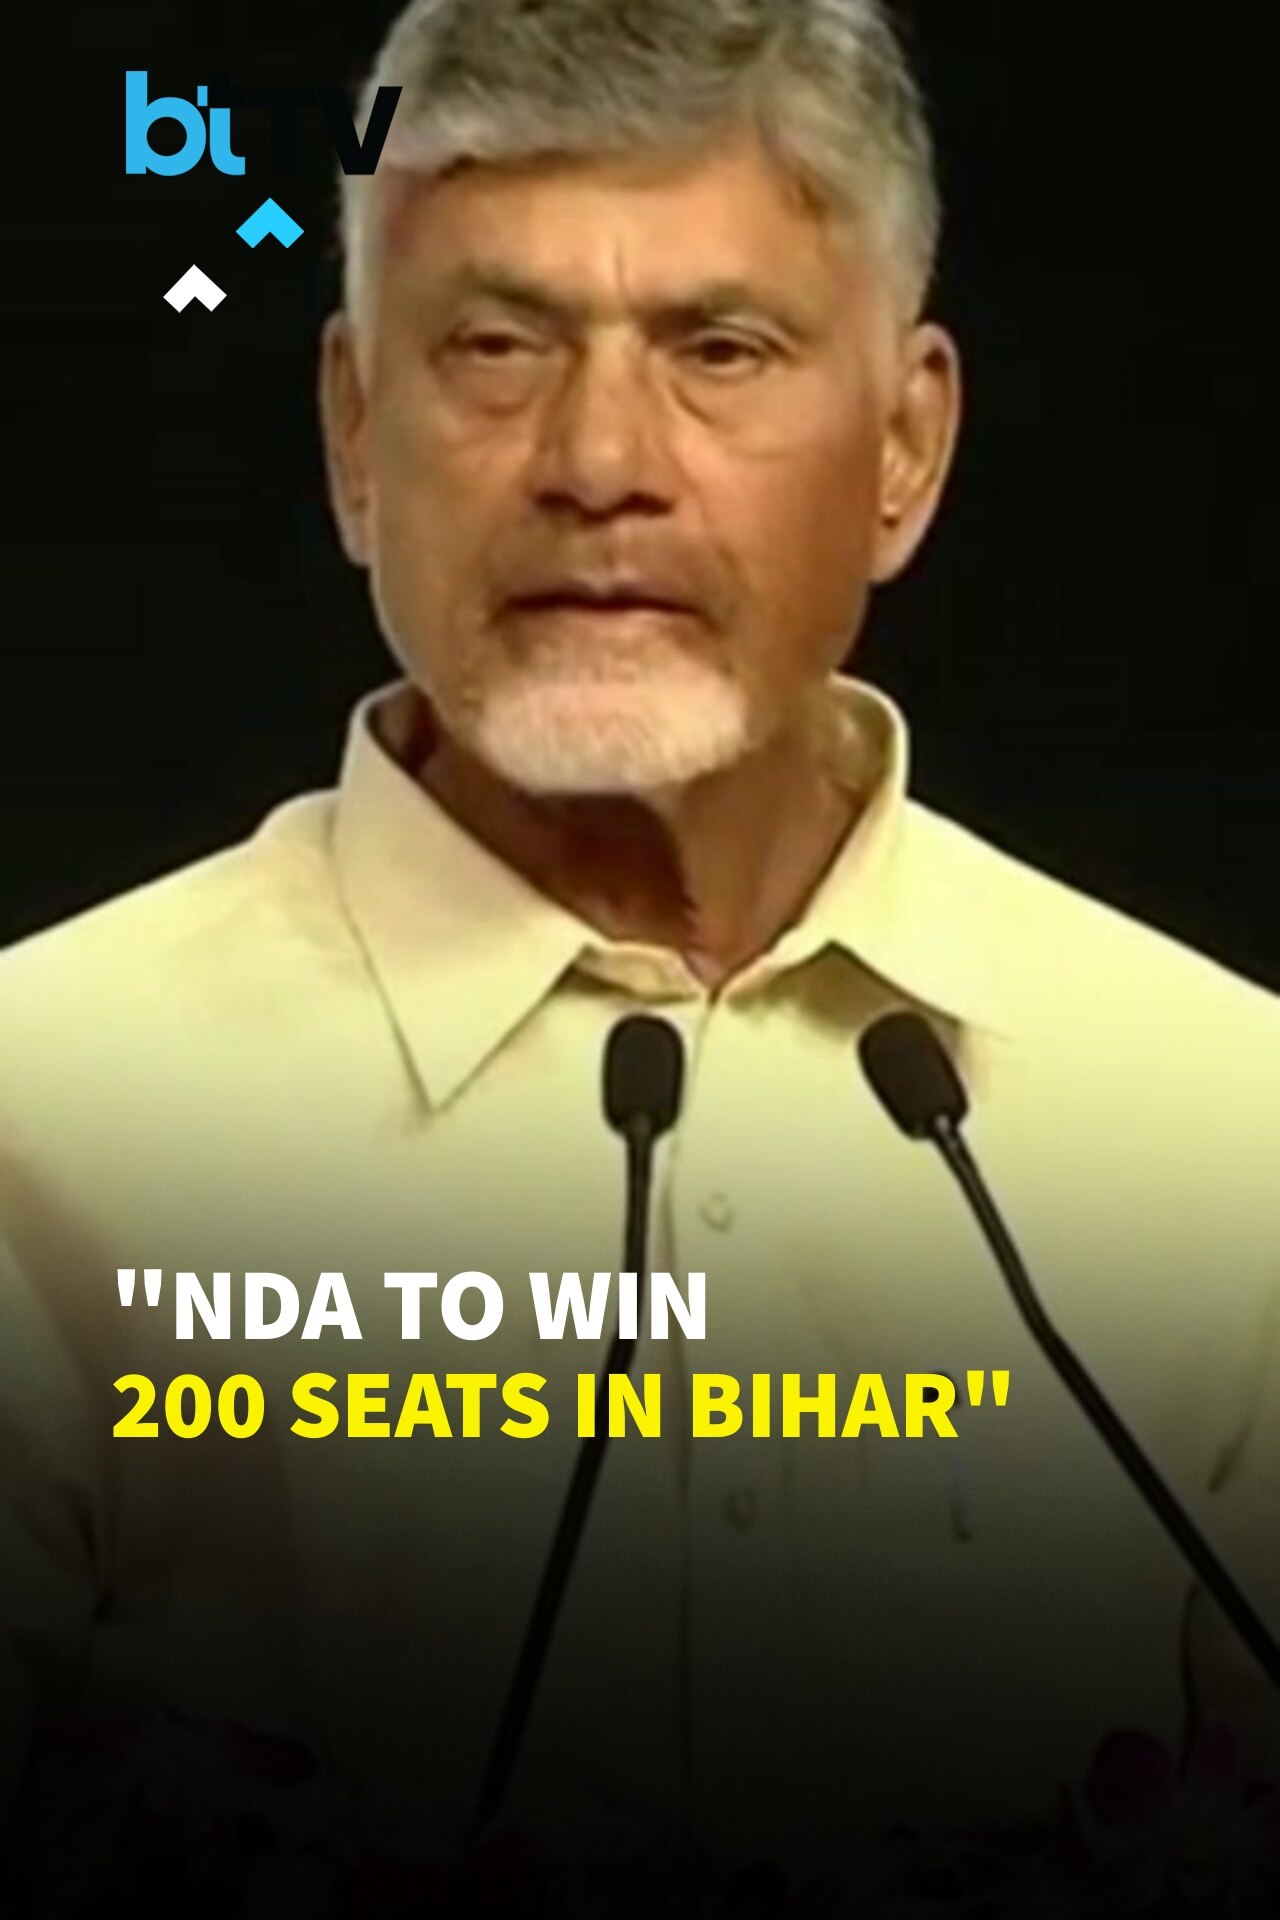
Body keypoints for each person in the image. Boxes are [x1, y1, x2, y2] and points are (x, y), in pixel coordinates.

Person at [1, 0, 1277, 1910]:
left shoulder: (1231, 1124)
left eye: (719, 349)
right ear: (355, 437)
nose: (600, 460)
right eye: (497, 346)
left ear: (906, 446)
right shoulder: (41, 1115)